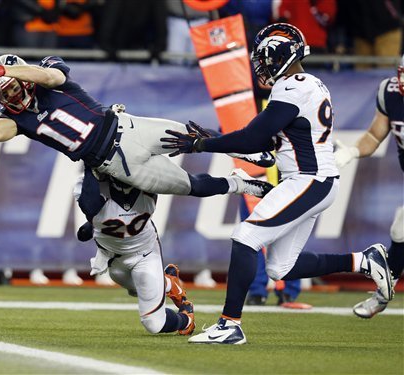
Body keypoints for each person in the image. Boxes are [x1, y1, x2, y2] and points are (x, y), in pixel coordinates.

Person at [161, 23, 395, 345]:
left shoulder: (292, 87)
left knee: (245, 236)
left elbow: (253, 137)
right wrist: (214, 139)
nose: (261, 65)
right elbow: (270, 140)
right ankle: (364, 260)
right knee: (280, 268)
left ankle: (230, 325)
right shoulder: (308, 84)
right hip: (314, 181)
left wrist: (203, 145)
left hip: (309, 180)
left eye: (264, 58)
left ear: (278, 56)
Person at [0, 54, 274, 200]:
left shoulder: (47, 76)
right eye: (5, 89)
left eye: (14, 84)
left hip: (129, 129)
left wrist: (0, 69)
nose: (13, 92)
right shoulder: (15, 119)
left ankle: (249, 152)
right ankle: (240, 183)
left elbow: (51, 76)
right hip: (115, 165)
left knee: (194, 138)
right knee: (195, 187)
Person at [74, 166, 195, 336]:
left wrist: (233, 184)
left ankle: (186, 319)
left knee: (154, 323)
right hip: (115, 262)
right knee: (136, 290)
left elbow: (195, 185)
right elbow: (93, 209)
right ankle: (168, 282)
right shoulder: (89, 184)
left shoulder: (149, 180)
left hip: (144, 254)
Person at [335, 54, 404, 319]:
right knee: (400, 232)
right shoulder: (390, 92)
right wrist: (351, 152)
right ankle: (383, 294)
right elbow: (376, 134)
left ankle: (382, 295)